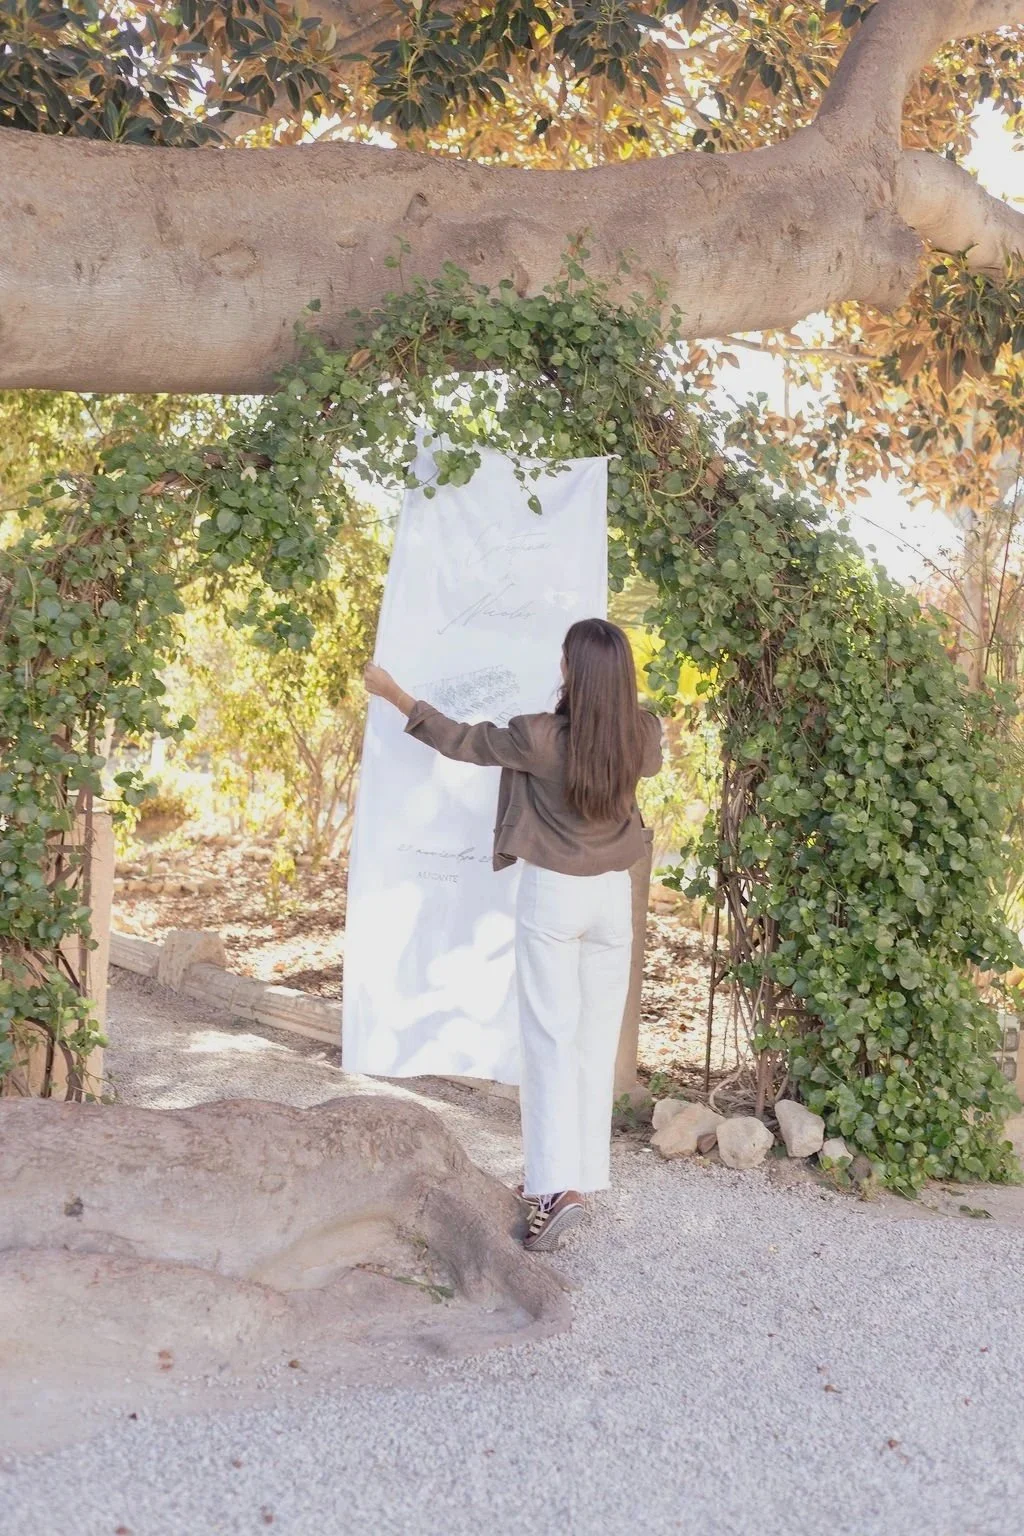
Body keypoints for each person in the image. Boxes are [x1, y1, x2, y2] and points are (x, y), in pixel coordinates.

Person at [364, 617, 662, 1252]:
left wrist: (393, 693)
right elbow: (648, 757)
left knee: (549, 1041)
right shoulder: (642, 735)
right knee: (591, 1043)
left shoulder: (538, 736)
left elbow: (460, 741)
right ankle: (578, 1176)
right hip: (612, 900)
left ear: (571, 671)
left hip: (555, 896)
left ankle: (555, 1190)